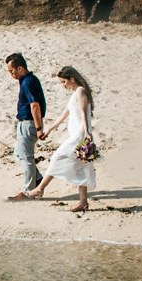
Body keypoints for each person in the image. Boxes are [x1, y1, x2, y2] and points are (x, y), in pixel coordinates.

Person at [13, 65, 98, 212]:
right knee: (82, 167)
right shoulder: (75, 94)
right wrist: (49, 130)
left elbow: (84, 113)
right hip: (77, 135)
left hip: (80, 135)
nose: (63, 86)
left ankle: (39, 189)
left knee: (57, 157)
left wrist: (87, 133)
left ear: (72, 79)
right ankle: (83, 202)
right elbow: (63, 116)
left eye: (64, 82)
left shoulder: (81, 91)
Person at [2, 53, 47, 198]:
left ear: (20, 68)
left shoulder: (27, 82)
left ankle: (29, 192)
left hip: (28, 123)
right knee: (19, 152)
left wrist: (39, 128)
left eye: (12, 71)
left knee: (26, 157)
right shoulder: (29, 80)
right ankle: (38, 179)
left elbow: (35, 105)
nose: (11, 74)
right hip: (25, 123)